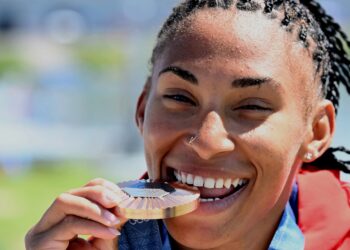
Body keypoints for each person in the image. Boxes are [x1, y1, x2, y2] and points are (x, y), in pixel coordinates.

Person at [25, 0, 350, 249]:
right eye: (180, 98)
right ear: (141, 110)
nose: (207, 142)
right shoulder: (86, 241)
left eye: (251, 106)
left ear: (316, 133)